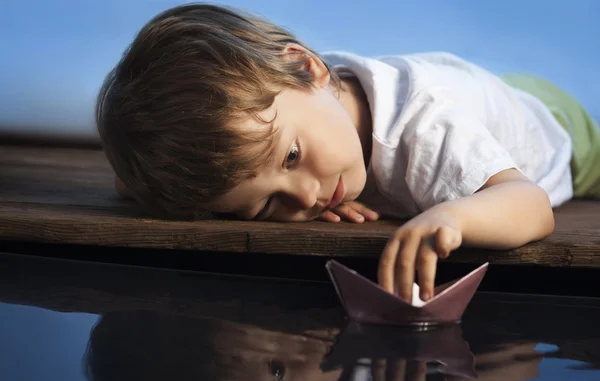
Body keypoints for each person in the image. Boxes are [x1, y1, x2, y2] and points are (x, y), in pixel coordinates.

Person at [97, 3, 600, 303]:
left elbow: (530, 204)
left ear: (307, 68)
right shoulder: (300, 102)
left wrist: (453, 216)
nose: (308, 196)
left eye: (291, 157)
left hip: (560, 128)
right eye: (268, 205)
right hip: (480, 95)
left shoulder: (423, 131)